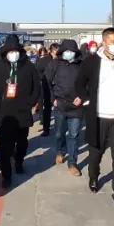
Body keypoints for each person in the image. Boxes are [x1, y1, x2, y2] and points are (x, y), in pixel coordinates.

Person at [76, 27, 114, 210]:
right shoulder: (92, 61)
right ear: (104, 43)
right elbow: (79, 83)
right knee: (96, 153)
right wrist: (87, 101)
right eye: (113, 41)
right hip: (98, 117)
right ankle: (93, 176)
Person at [0, 35, 41, 188]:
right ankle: (6, 174)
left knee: (22, 142)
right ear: (5, 52)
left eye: (15, 51)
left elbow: (36, 87)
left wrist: (31, 102)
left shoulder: (29, 66)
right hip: (4, 113)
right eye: (10, 51)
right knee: (5, 146)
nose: (13, 54)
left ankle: (19, 161)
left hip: (23, 111)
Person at [50, 39, 85, 177]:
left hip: (76, 107)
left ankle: (72, 163)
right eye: (66, 51)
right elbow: (46, 83)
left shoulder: (81, 65)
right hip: (60, 104)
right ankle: (60, 151)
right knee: (59, 133)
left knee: (74, 135)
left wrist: (82, 97)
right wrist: (53, 99)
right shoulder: (55, 64)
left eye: (71, 51)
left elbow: (89, 84)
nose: (69, 53)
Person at [35, 44, 57, 137]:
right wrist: (43, 79)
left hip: (59, 87)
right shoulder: (44, 60)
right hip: (47, 86)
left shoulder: (62, 60)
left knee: (59, 109)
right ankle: (46, 128)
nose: (56, 52)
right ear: (51, 51)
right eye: (55, 50)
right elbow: (37, 71)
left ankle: (60, 128)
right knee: (47, 108)